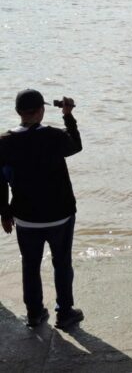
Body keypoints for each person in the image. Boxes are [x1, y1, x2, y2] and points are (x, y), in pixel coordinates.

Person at [0, 90, 84, 329]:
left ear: (18, 112)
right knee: (62, 263)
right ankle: (65, 312)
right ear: (41, 111)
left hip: (26, 218)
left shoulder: (4, 142)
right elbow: (75, 145)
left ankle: (34, 313)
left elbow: (1, 182)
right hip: (60, 214)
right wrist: (68, 115)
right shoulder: (54, 136)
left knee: (30, 265)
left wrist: (4, 213)